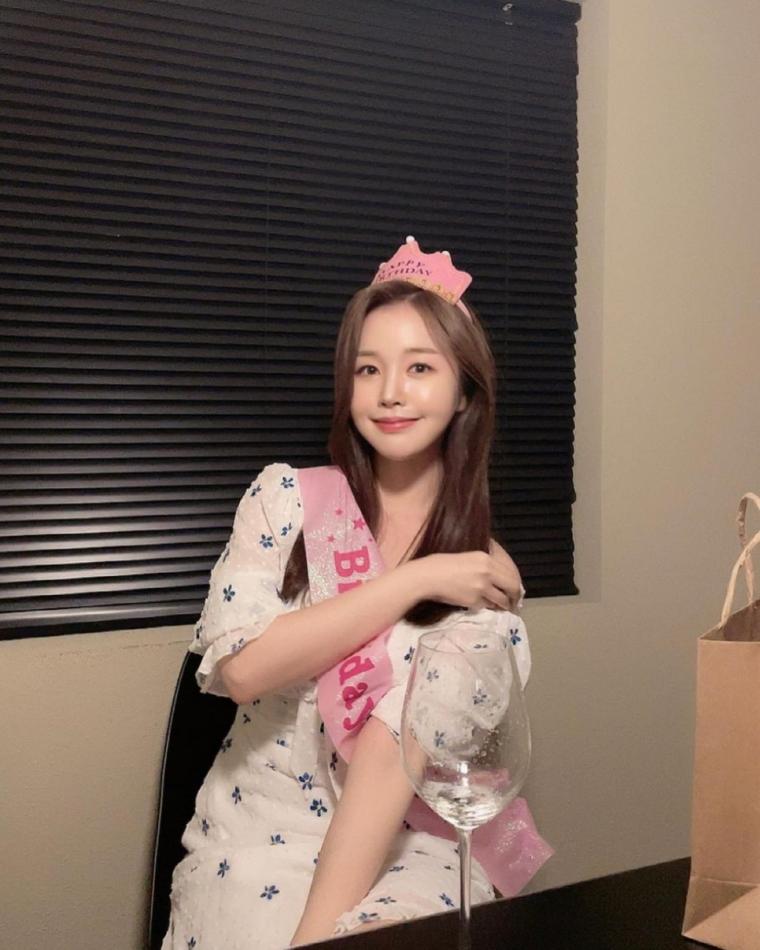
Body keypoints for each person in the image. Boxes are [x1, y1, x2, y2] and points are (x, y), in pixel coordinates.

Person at [160, 236, 551, 950]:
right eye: (369, 368)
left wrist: (316, 939)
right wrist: (417, 579)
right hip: (257, 836)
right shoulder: (284, 501)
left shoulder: (483, 583)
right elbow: (242, 671)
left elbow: (388, 754)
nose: (390, 391)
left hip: (409, 847)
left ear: (465, 390)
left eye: (420, 367)